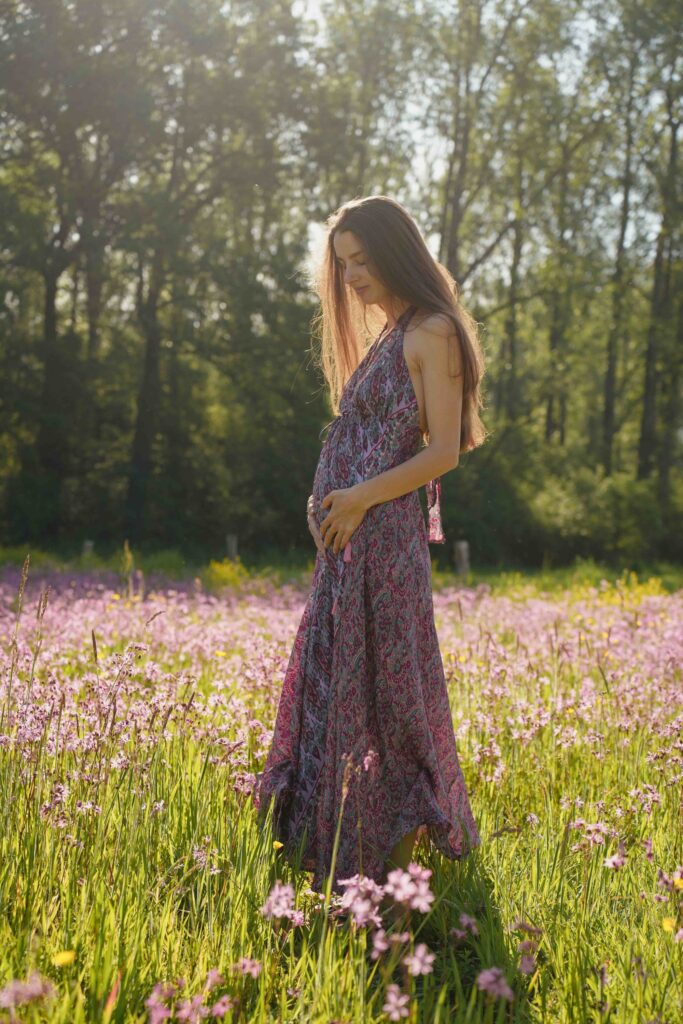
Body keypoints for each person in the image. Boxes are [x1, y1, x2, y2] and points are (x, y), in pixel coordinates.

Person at [252, 195, 488, 896]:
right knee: (346, 681)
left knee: (386, 689)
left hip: (380, 542)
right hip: (349, 543)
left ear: (395, 252)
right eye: (343, 263)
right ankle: (337, 839)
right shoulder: (395, 332)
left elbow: (442, 451)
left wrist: (355, 497)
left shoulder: (432, 330)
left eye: (362, 260)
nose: (351, 276)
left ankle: (391, 844)